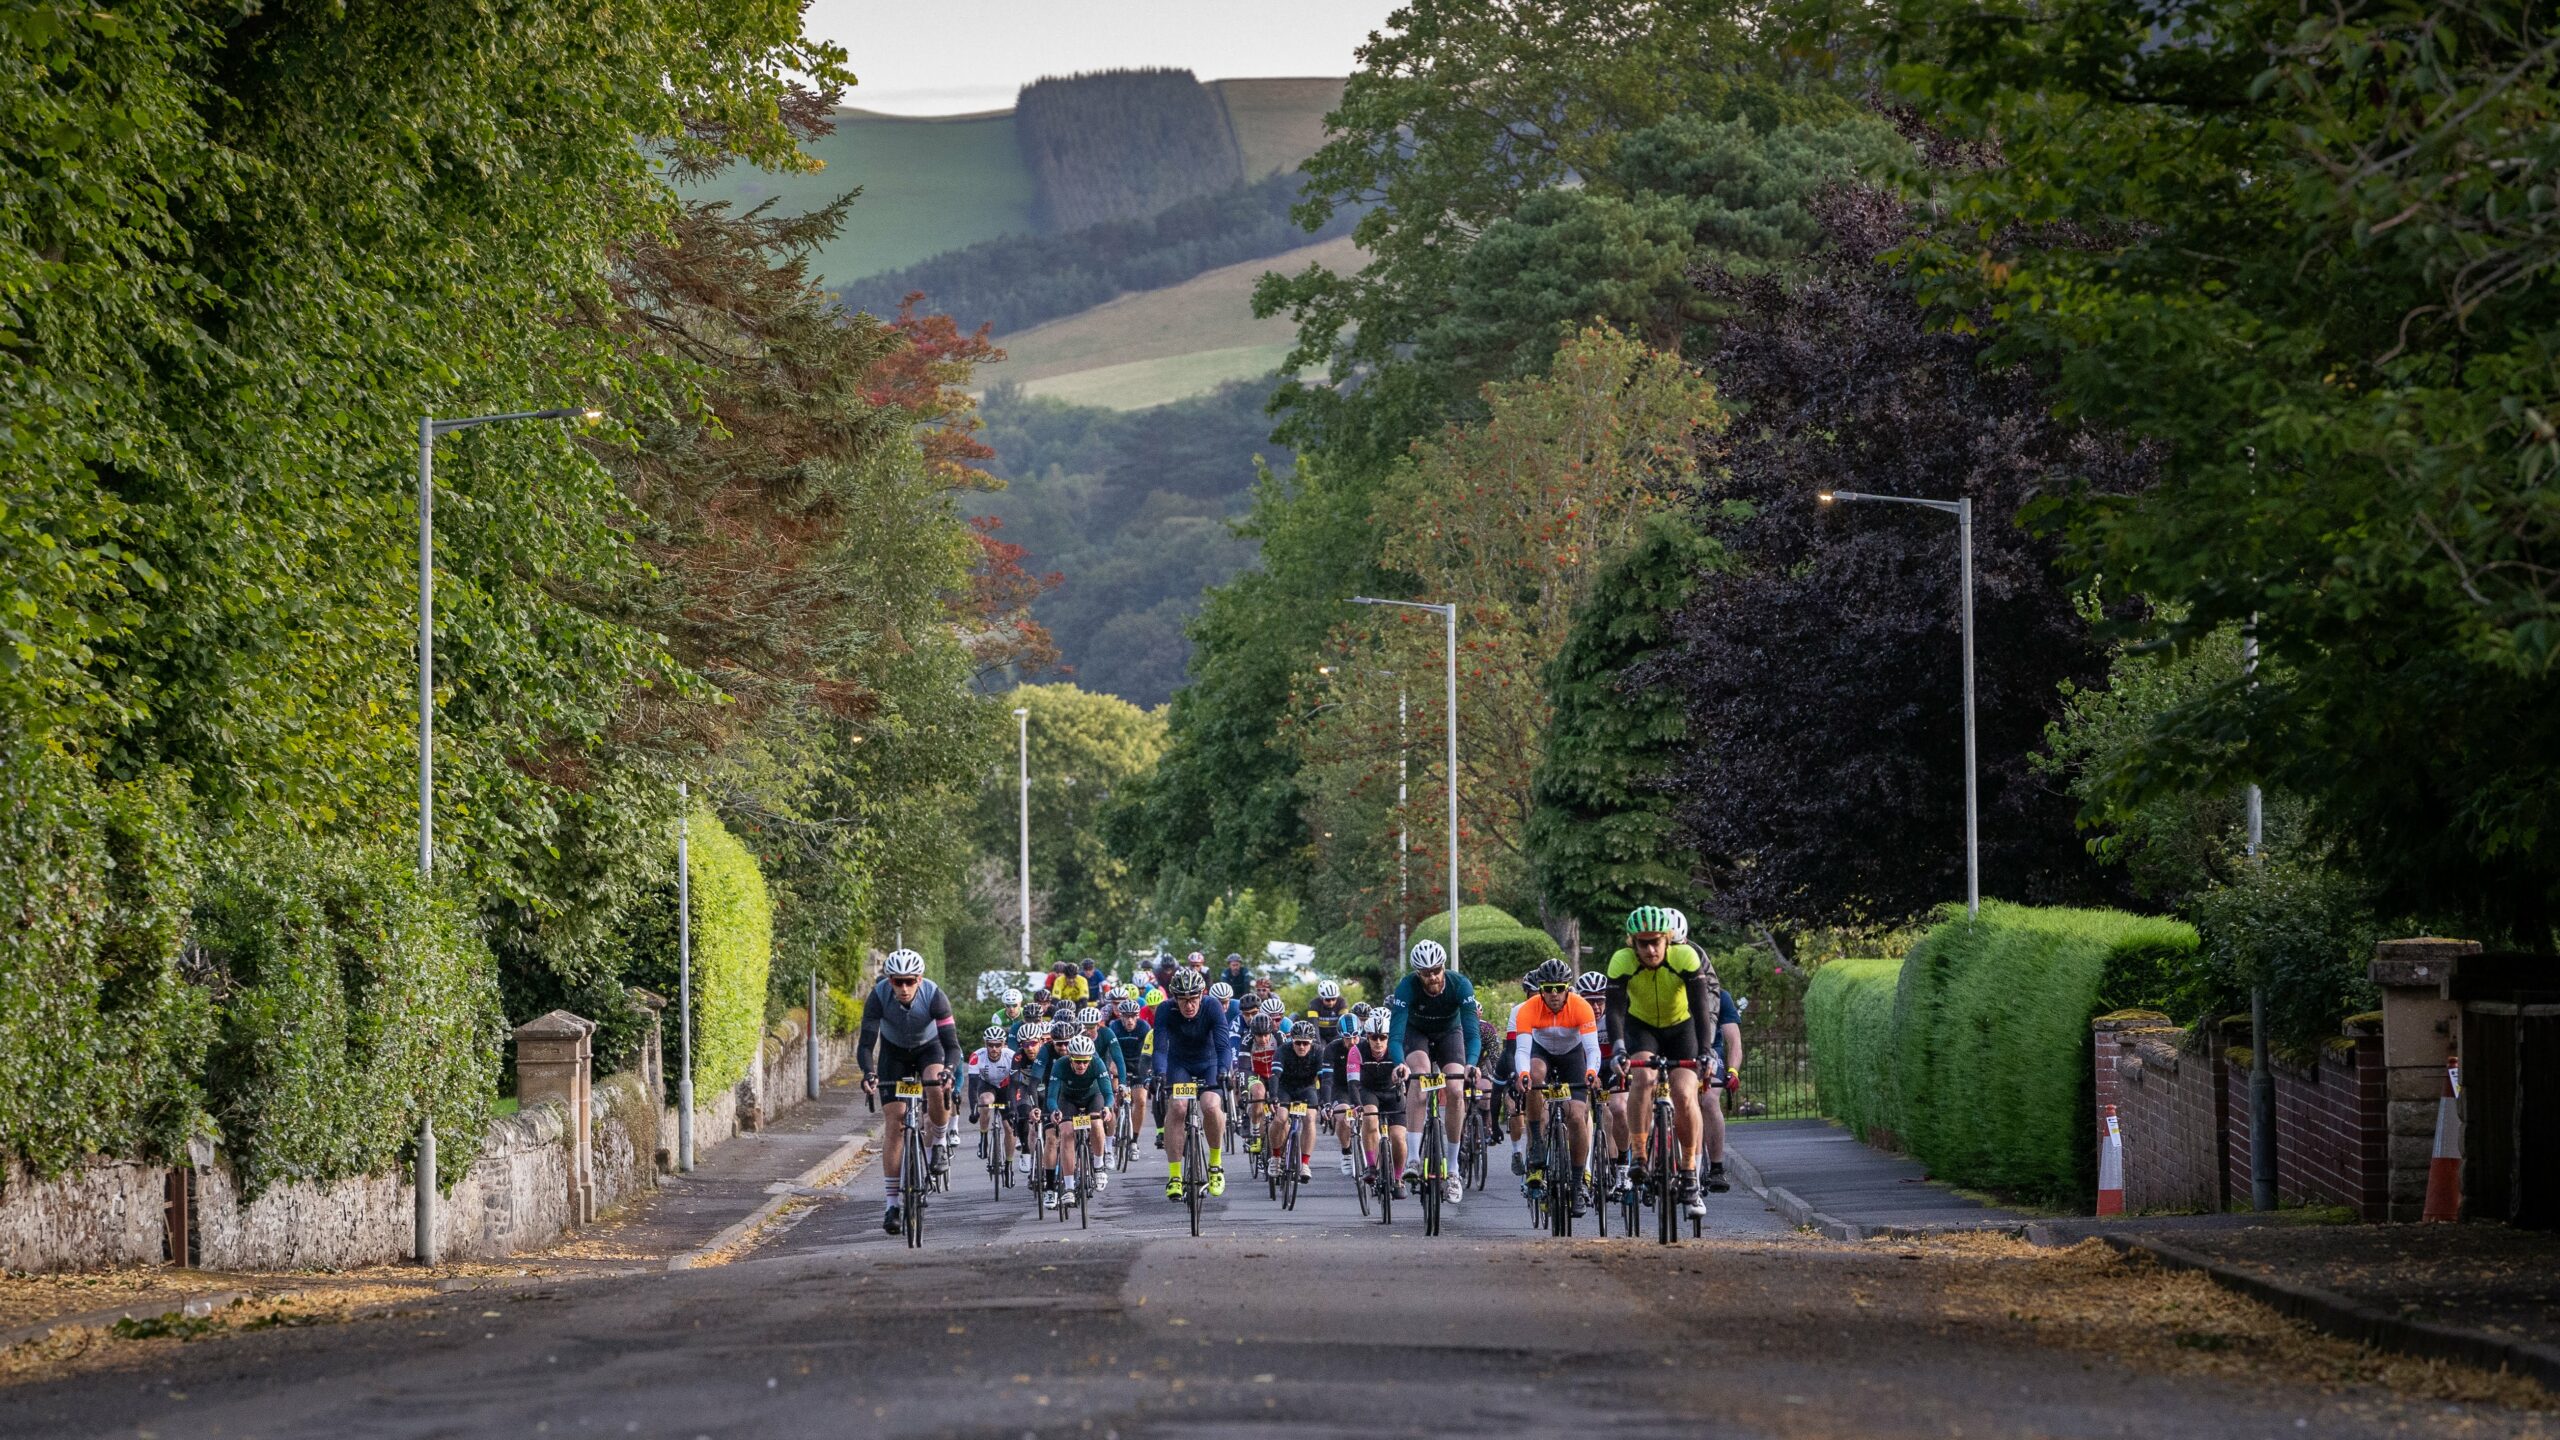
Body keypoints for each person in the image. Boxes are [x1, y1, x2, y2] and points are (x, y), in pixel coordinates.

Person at [1605, 906, 1719, 1221]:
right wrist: (1617, 1049)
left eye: (1656, 941)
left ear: (1668, 939)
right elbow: (1614, 1011)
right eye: (1643, 943)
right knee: (1642, 1079)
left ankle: (1689, 1170)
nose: (1650, 949)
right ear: (1633, 943)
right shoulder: (1621, 961)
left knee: (1684, 1094)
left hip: (1681, 1028)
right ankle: (1640, 1154)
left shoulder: (1685, 958)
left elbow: (1700, 1007)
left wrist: (1706, 1050)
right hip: (1642, 1028)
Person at [857, 949, 960, 1234]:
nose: (903, 988)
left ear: (920, 979)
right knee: (895, 1123)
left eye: (909, 981)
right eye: (897, 981)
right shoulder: (878, 996)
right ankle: (892, 1204)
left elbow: (952, 1046)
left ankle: (938, 1142)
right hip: (894, 1055)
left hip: (930, 1049)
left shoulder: (935, 996)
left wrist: (948, 1072)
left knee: (936, 1086)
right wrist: (868, 1073)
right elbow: (866, 1044)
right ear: (889, 980)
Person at [1386, 939, 1480, 1204]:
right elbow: (1395, 1036)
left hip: (1451, 1032)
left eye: (1437, 970)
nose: (1433, 977)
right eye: (1426, 973)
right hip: (1417, 1034)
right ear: (1418, 973)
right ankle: (1413, 1159)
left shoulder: (1460, 984)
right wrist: (1399, 1063)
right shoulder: (1407, 987)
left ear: (1444, 967)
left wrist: (1471, 1063)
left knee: (1455, 1089)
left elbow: (1473, 1033)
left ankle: (1453, 1170)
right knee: (1420, 1074)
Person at [1509, 958, 1603, 1215]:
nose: (1553, 994)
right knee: (1534, 1076)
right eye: (1548, 988)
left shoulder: (1580, 1007)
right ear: (1540, 989)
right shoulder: (1528, 1009)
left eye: (1559, 988)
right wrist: (1524, 1074)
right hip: (1542, 1054)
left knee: (1575, 1116)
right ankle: (1538, 1140)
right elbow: (1522, 1050)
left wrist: (1592, 1072)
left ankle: (1576, 1184)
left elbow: (1592, 1049)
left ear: (1567, 989)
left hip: (1572, 1056)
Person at [1150, 967, 1233, 1199]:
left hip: (1210, 1062)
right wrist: (1159, 1073)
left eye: (1193, 999)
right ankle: (1175, 1176)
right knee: (1177, 1107)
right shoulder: (1166, 1010)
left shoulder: (1213, 1006)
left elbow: (1223, 1046)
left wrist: (1224, 1071)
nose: (1189, 1005)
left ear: (1202, 995)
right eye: (1183, 1000)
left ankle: (1215, 1165)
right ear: (1174, 998)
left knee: (1210, 1105)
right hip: (1180, 1064)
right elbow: (1160, 1048)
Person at [1338, 1010, 1410, 1196]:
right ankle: (1371, 1166)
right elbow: (1353, 1083)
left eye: (1383, 1037)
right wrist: (1357, 1105)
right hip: (1368, 1091)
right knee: (1370, 1120)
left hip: (1393, 1092)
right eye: (1373, 1037)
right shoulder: (1356, 1051)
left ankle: (1397, 1178)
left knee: (1399, 1137)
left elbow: (1410, 1079)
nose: (1378, 1042)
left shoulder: (1397, 1050)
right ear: (1367, 1037)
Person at [1042, 1035, 1116, 1210]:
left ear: (1090, 1058)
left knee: (1096, 1122)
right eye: (1077, 1061)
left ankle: (1098, 1166)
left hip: (1093, 1097)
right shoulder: (1060, 1065)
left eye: (1085, 1061)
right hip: (1068, 1099)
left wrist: (1107, 1107)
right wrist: (1055, 1111)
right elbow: (1051, 1096)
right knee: (1066, 1132)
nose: (1081, 1065)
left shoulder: (1097, 1063)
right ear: (1070, 1058)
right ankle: (1068, 1188)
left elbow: (1108, 1093)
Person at [1270, 1017, 1327, 1183]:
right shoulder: (1283, 1050)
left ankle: (1304, 1163)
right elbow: (1275, 1075)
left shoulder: (1318, 1051)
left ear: (1311, 1042)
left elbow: (1324, 1080)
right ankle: (1275, 1157)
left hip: (1306, 1088)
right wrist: (1273, 1096)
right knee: (1280, 1118)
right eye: (1298, 1043)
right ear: (1292, 1041)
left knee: (1310, 1118)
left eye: (1305, 1043)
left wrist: (1325, 1101)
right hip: (1284, 1087)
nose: (1302, 1046)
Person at [965, 1024, 1016, 1162]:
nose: (994, 1048)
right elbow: (973, 1086)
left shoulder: (1011, 1056)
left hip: (1006, 1087)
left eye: (998, 1045)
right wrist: (974, 1110)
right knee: (985, 1102)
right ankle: (983, 1138)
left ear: (1003, 1044)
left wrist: (1013, 1107)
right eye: (990, 1045)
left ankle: (1009, 1164)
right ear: (985, 1044)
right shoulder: (977, 1056)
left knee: (1009, 1128)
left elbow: (1016, 1083)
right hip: (987, 1084)